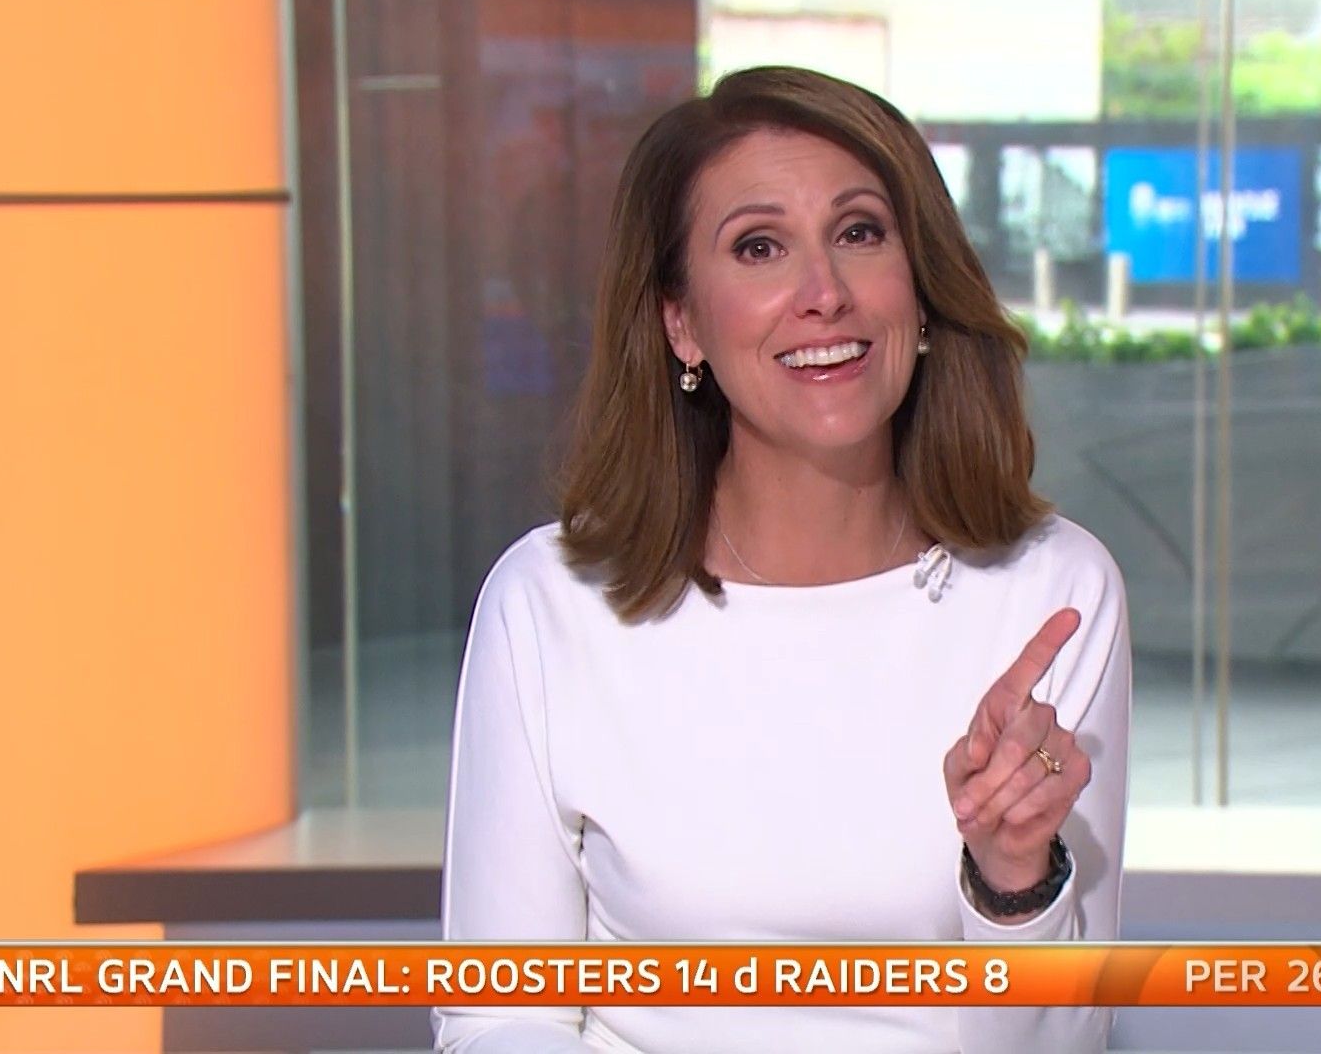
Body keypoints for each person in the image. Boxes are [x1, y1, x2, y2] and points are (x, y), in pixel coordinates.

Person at [433, 65, 1132, 1053]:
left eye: (860, 233)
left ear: (921, 291)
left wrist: (1013, 883)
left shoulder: (1052, 593)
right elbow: (500, 1016)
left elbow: (1064, 1044)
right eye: (759, 247)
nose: (824, 295)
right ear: (681, 322)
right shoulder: (551, 603)